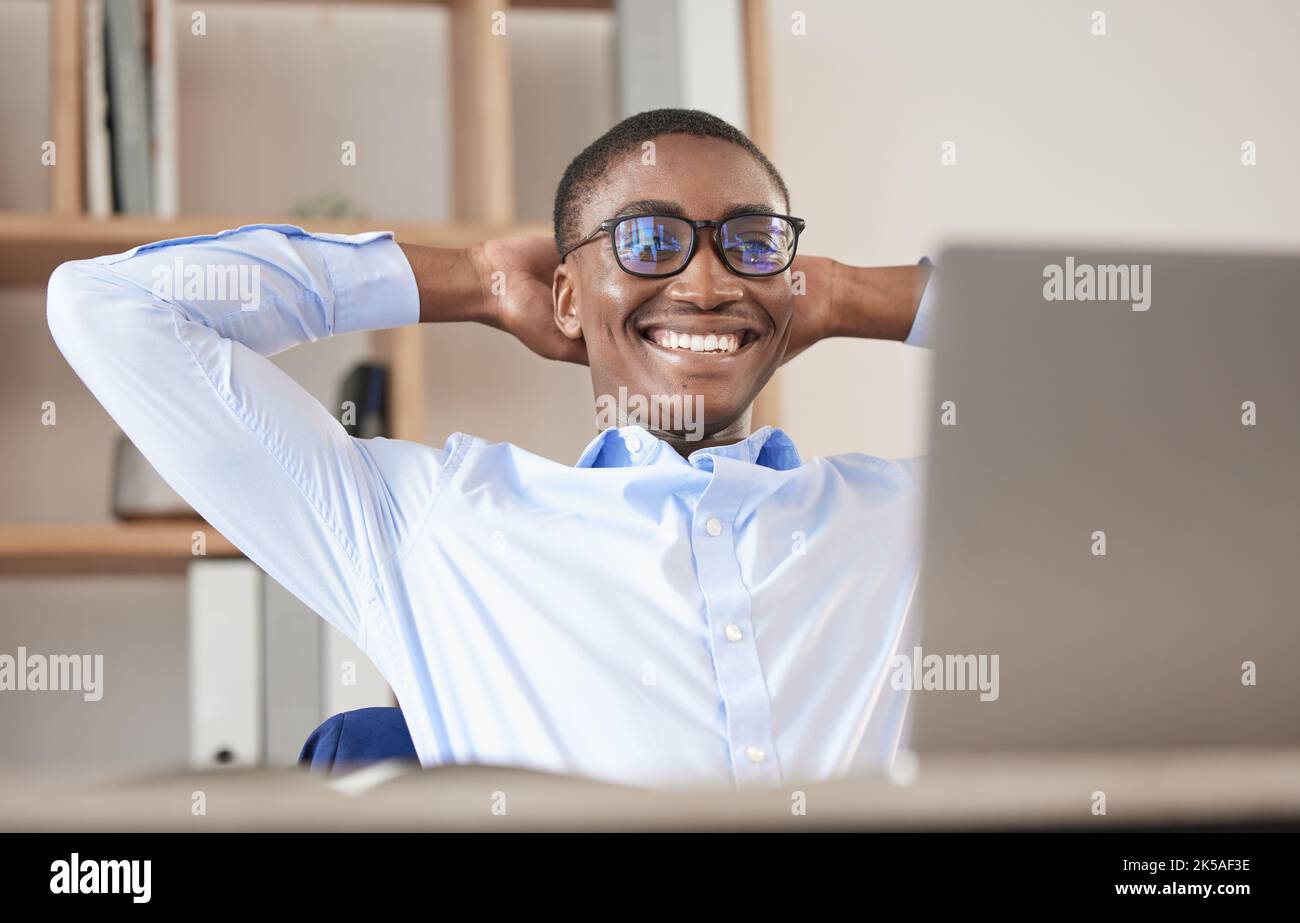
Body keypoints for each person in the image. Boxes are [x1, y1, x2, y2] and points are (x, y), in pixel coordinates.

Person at [48, 108, 932, 790]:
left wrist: (854, 295)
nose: (706, 282)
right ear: (567, 298)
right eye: (651, 242)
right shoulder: (437, 526)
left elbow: (1068, 321)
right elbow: (113, 310)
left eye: (751, 243)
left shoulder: (913, 520)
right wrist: (469, 280)